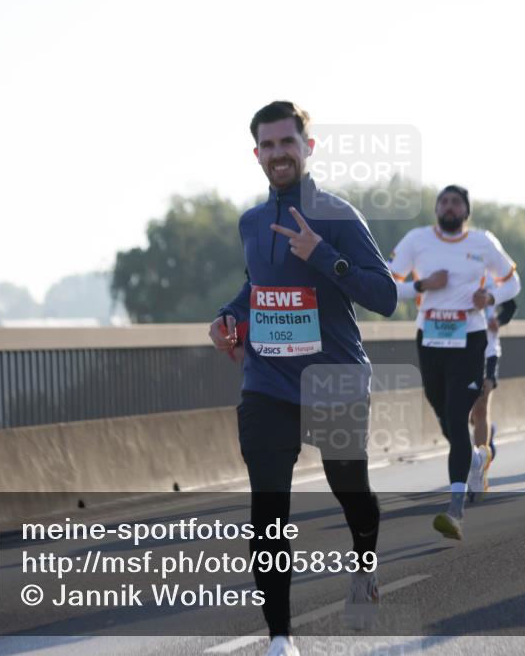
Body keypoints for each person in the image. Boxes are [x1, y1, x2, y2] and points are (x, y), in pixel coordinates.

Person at [209, 101, 398, 655]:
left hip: (334, 379)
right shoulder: (250, 222)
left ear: (307, 147)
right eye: (267, 146)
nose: (278, 154)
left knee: (352, 493)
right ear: (256, 155)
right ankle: (280, 639)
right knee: (268, 508)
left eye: (286, 143)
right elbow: (256, 289)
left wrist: (324, 257)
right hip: (266, 382)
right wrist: (228, 318)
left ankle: (364, 564)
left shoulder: (338, 217)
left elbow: (384, 296)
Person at [388, 185, 519, 539]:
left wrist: (490, 295)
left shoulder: (483, 242)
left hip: (470, 339)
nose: (449, 206)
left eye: (456, 202)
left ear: (466, 211)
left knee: (459, 417)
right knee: (445, 416)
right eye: (443, 201)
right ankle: (476, 459)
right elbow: (387, 280)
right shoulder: (417, 240)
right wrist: (422, 284)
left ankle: (455, 510)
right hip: (430, 338)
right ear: (436, 209)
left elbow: (513, 282)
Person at [467, 282, 519, 501]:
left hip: (488, 351)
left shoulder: (492, 281)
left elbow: (511, 306)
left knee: (481, 407)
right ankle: (487, 437)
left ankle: (479, 469)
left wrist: (498, 321)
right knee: (468, 414)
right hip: (460, 351)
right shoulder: (456, 275)